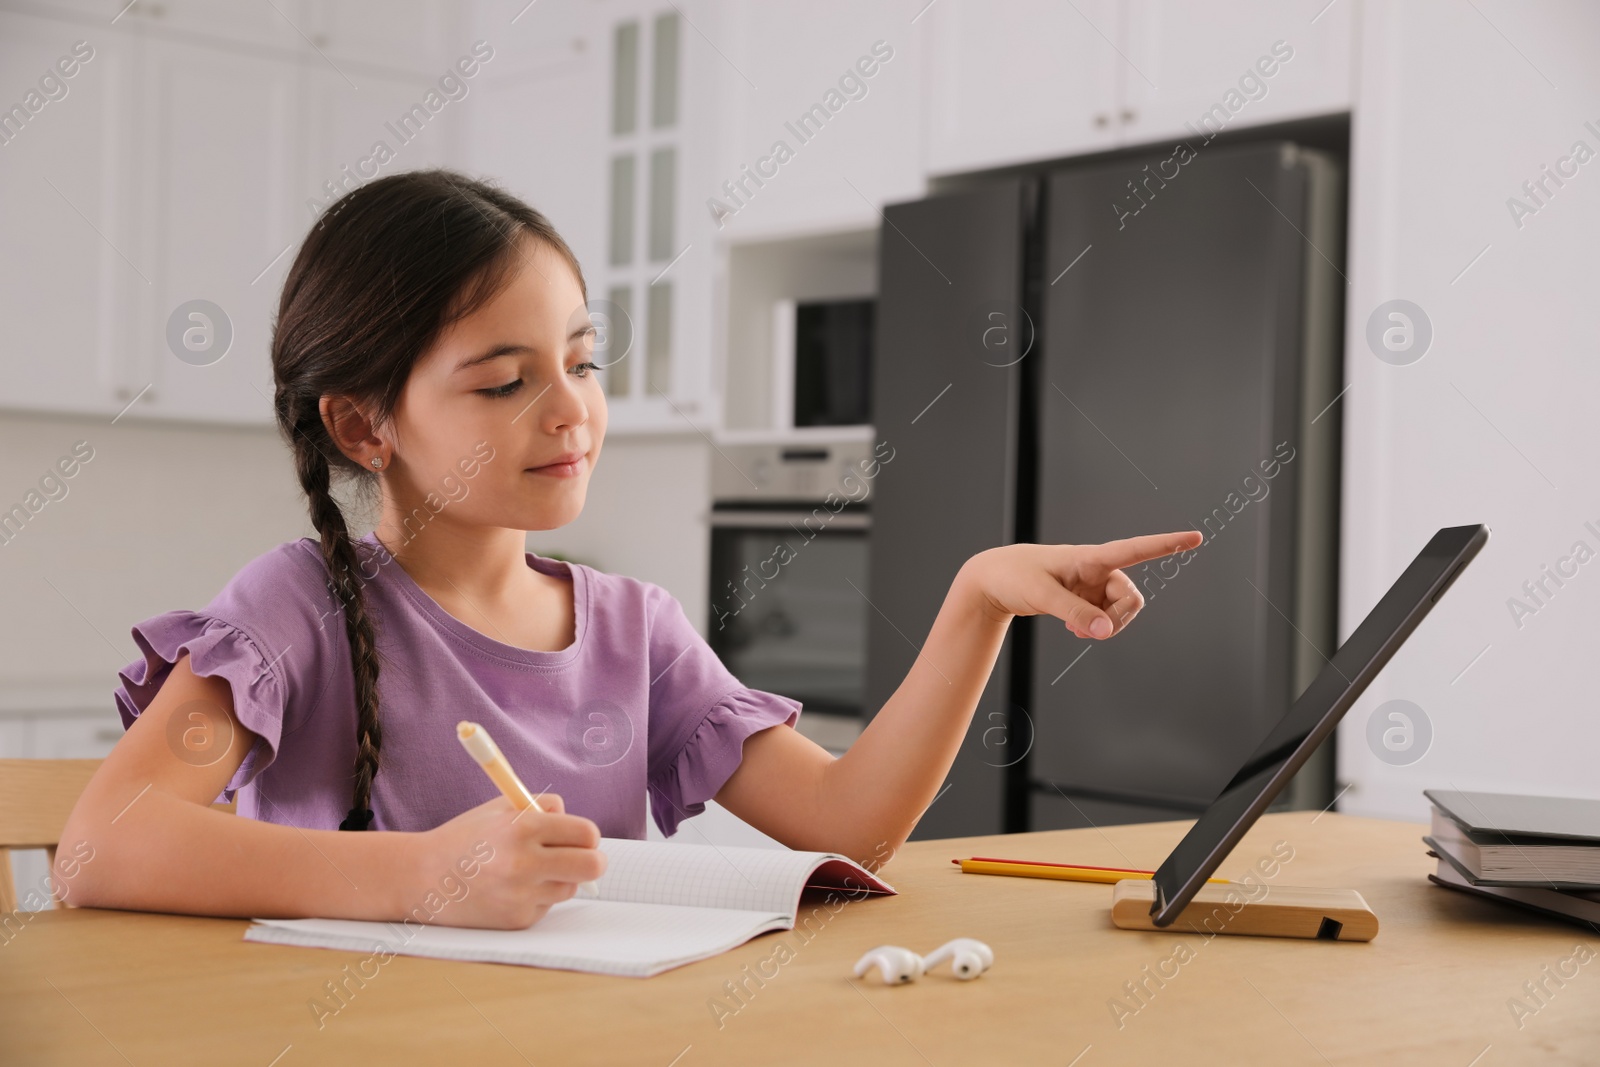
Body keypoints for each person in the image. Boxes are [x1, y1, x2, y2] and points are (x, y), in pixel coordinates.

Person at [57, 169, 1201, 931]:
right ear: (364, 424)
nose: (571, 410)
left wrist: (976, 601)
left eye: (583, 361)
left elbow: (852, 827)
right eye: (506, 381)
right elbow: (101, 848)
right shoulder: (294, 604)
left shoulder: (632, 628)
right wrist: (423, 877)